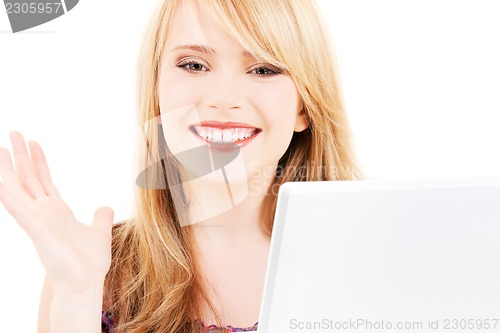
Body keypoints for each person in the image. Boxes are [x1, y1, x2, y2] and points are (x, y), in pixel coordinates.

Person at [0, 0, 361, 332]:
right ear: (157, 91)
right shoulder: (95, 270)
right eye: (193, 65)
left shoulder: (366, 257)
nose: (223, 99)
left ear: (305, 105)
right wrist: (78, 296)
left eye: (263, 69)